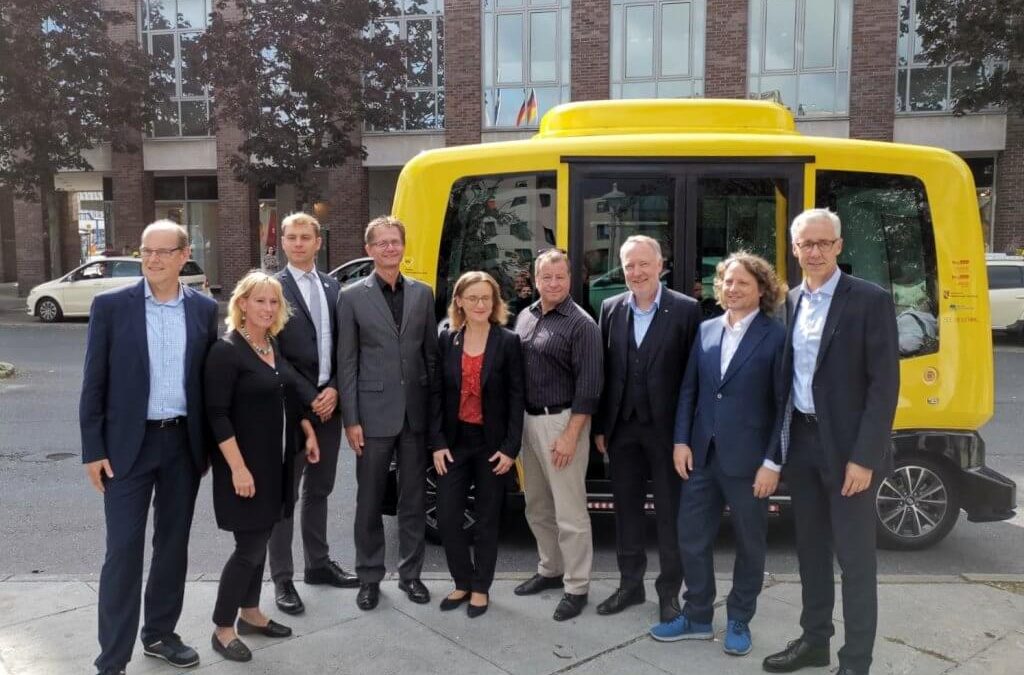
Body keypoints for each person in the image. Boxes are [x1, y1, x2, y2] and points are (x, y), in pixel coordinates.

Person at [762, 209, 899, 675]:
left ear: (839, 246)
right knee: (811, 552)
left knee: (855, 562)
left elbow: (884, 386)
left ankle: (855, 662)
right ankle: (815, 641)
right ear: (795, 248)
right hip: (802, 443)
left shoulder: (869, 300)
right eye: (806, 244)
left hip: (849, 452)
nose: (815, 251)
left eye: (824, 243)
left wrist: (864, 458)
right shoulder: (789, 301)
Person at [80, 220, 218, 675]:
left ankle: (160, 634)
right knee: (122, 550)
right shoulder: (111, 307)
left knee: (172, 546)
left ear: (184, 255)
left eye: (163, 252)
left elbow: (208, 383)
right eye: (146, 251)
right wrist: (92, 449)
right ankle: (112, 659)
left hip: (182, 443)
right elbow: (93, 383)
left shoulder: (203, 309)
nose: (153, 259)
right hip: (125, 449)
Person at [649, 252, 787, 657]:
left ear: (761, 289)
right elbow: (689, 390)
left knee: (750, 544)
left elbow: (783, 404)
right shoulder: (707, 330)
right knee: (691, 537)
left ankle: (740, 617)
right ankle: (697, 616)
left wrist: (772, 461)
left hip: (750, 464)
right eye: (727, 281)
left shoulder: (776, 335)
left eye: (742, 282)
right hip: (702, 456)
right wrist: (680, 441)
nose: (732, 288)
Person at [205, 271, 322, 663]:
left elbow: (286, 395)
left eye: (274, 302)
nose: (268, 309)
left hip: (276, 467)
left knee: (258, 542)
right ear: (241, 304)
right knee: (249, 548)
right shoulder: (227, 351)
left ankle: (250, 613)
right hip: (246, 469)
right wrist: (238, 469)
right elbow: (217, 416)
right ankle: (223, 628)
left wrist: (306, 427)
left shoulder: (269, 346)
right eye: (260, 301)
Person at [337, 215, 442, 611]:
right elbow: (347, 362)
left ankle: (411, 576)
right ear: (369, 250)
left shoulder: (422, 294)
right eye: (380, 243)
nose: (389, 249)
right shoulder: (351, 297)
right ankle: (369, 577)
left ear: (403, 245)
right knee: (369, 501)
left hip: (414, 416)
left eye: (394, 242)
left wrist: (433, 416)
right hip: (372, 415)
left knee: (413, 501)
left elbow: (430, 357)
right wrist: (351, 419)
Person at [593, 236, 700, 623]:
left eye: (643, 264)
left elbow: (694, 379)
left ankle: (669, 591)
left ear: (660, 265)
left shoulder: (686, 311)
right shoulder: (610, 307)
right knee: (626, 511)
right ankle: (629, 585)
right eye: (628, 267)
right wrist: (602, 427)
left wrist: (685, 436)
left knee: (671, 515)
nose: (636, 273)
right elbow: (606, 370)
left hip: (669, 434)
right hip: (622, 431)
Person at [268, 212, 358, 618]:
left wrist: (335, 388)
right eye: (292, 237)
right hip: (290, 409)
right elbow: (271, 353)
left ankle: (317, 565)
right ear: (283, 243)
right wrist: (310, 394)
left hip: (330, 408)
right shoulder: (271, 289)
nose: (299, 243)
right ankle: (283, 578)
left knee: (319, 491)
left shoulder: (334, 287)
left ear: (318, 243)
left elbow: (346, 347)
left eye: (306, 237)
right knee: (286, 496)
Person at [513, 248, 603, 621]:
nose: (553, 283)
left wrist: (570, 434)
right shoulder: (525, 316)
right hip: (527, 425)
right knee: (537, 505)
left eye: (560, 277)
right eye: (546, 277)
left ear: (571, 279)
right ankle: (550, 569)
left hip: (562, 423)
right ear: (536, 279)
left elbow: (591, 386)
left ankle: (577, 586)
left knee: (570, 512)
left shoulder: (582, 325)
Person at [432, 271, 525, 618]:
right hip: (454, 443)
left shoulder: (508, 342)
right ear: (459, 301)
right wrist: (437, 442)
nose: (480, 304)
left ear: (495, 302)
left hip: (492, 445)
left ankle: (481, 586)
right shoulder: (446, 339)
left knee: (488, 519)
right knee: (447, 516)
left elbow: (517, 398)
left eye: (486, 298)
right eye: (472, 298)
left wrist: (510, 447)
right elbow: (436, 394)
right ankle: (462, 581)